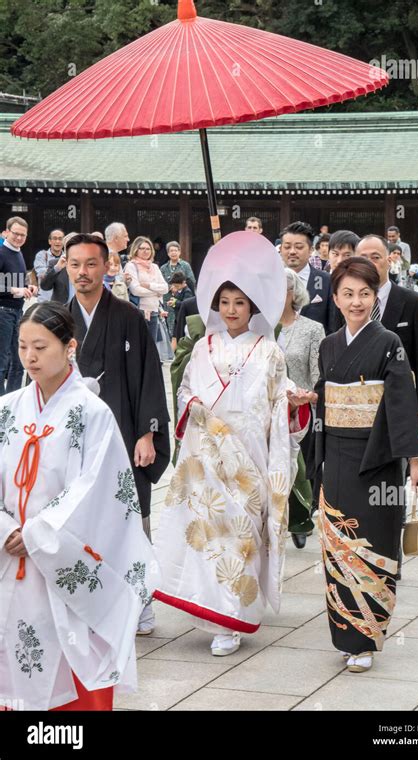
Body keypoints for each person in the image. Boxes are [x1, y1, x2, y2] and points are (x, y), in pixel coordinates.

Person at [154, 231, 313, 655]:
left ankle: (236, 617)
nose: (230, 311)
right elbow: (185, 392)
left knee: (242, 535)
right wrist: (196, 409)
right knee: (212, 533)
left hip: (250, 456)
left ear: (252, 307)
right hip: (209, 454)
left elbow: (281, 406)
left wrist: (295, 406)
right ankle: (215, 611)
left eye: (239, 303)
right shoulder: (203, 348)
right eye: (224, 303)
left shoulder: (269, 353)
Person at [0, 302, 159, 710]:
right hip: (7, 557)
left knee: (68, 669)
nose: (30, 357)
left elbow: (99, 493)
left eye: (40, 346)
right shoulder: (7, 410)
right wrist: (6, 530)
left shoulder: (92, 414)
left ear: (69, 346)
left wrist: (36, 534)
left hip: (60, 559)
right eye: (22, 347)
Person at [314, 257, 418, 673]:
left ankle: (367, 638)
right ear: (336, 297)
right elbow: (326, 400)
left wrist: (414, 463)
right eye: (348, 293)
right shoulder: (329, 345)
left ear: (375, 296)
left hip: (378, 461)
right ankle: (346, 635)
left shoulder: (389, 343)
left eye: (365, 293)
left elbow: (401, 405)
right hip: (338, 461)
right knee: (337, 549)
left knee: (374, 546)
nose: (356, 301)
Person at [65, 234, 171, 634]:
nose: (83, 273)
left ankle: (140, 603)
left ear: (107, 265)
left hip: (124, 434)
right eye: (75, 265)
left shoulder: (127, 316)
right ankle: (87, 603)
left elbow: (148, 380)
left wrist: (148, 433)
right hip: (76, 439)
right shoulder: (59, 318)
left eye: (91, 264)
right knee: (81, 520)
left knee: (130, 519)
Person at [356, 235, 418, 435]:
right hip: (357, 405)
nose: (369, 263)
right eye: (363, 258)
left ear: (389, 260)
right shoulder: (347, 303)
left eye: (375, 257)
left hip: (400, 404)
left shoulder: (413, 303)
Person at [278, 268, 325, 548]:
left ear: (294, 293)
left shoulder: (311, 329)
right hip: (269, 408)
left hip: (301, 412)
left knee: (299, 467)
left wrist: (309, 395)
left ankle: (299, 514)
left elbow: (318, 373)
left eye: (283, 288)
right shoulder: (260, 326)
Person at [0, 217, 37, 394]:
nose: (19, 238)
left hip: (17, 311)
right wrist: (14, 290)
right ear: (6, 232)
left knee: (19, 362)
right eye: (16, 234)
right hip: (3, 312)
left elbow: (16, 283)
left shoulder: (19, 253)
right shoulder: (1, 252)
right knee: (2, 362)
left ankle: (14, 402)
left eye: (23, 235)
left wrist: (27, 287)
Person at [280, 221, 332, 334]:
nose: (292, 251)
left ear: (311, 250)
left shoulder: (327, 281)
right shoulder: (270, 282)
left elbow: (332, 326)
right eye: (287, 247)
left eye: (299, 247)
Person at [124, 236, 168, 343]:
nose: (145, 251)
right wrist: (156, 291)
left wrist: (149, 285)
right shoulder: (131, 266)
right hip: (138, 310)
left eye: (148, 249)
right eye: (142, 248)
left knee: (152, 346)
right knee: (138, 345)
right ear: (136, 250)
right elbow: (136, 290)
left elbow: (165, 288)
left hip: (154, 311)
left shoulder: (155, 267)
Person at [41, 231, 79, 305]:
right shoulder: (56, 263)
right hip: (61, 309)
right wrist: (57, 268)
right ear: (64, 249)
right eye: (69, 247)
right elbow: (45, 286)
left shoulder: (86, 266)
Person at [33, 229, 65, 302]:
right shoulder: (41, 255)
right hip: (45, 300)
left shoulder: (67, 257)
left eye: (60, 239)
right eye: (55, 238)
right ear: (49, 241)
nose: (57, 241)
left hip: (62, 302)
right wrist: (57, 269)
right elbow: (42, 274)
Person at [163, 271, 194, 338]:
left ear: (183, 283)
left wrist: (175, 302)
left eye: (177, 286)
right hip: (178, 318)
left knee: (178, 337)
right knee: (174, 337)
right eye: (174, 285)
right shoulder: (178, 291)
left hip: (184, 320)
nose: (175, 287)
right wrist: (172, 303)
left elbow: (185, 304)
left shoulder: (187, 292)